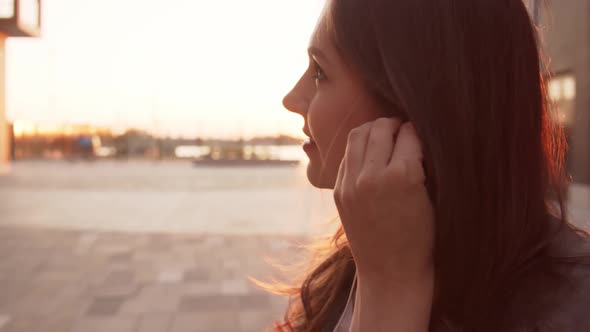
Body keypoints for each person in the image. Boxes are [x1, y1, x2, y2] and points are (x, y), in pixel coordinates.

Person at [265, 0, 590, 331]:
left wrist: (390, 290)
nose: (291, 98)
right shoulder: (357, 261)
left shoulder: (574, 309)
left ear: (412, 103)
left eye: (320, 72)